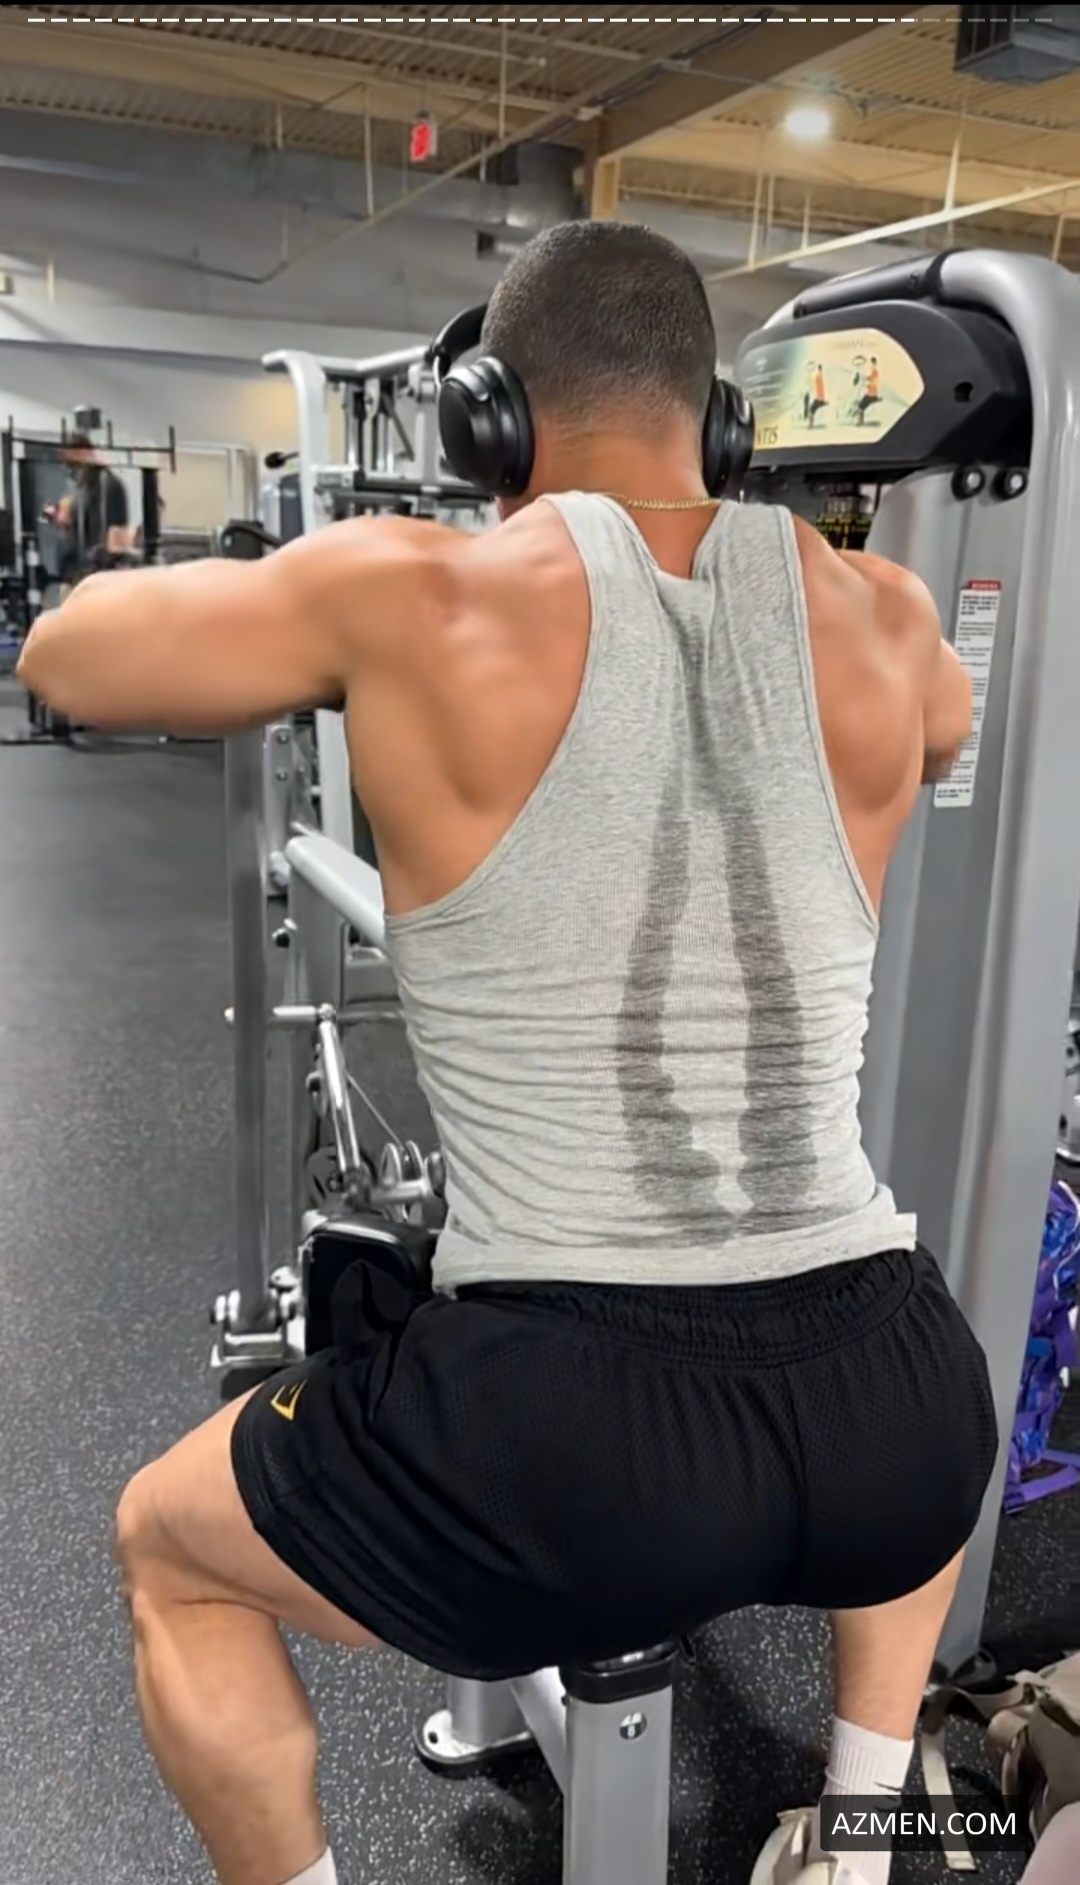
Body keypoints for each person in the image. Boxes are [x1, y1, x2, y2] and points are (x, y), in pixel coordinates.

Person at [17, 221, 995, 1885]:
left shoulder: (415, 587)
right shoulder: (892, 619)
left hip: (575, 1446)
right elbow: (954, 724)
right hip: (901, 1396)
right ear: (721, 421)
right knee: (900, 1459)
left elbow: (69, 659)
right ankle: (859, 1831)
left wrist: (302, 588)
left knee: (163, 1547)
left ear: (491, 421)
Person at [50, 431, 134, 583]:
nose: (70, 472)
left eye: (72, 465)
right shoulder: (77, 491)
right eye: (67, 466)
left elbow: (116, 538)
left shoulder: (108, 485)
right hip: (79, 574)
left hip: (101, 576)